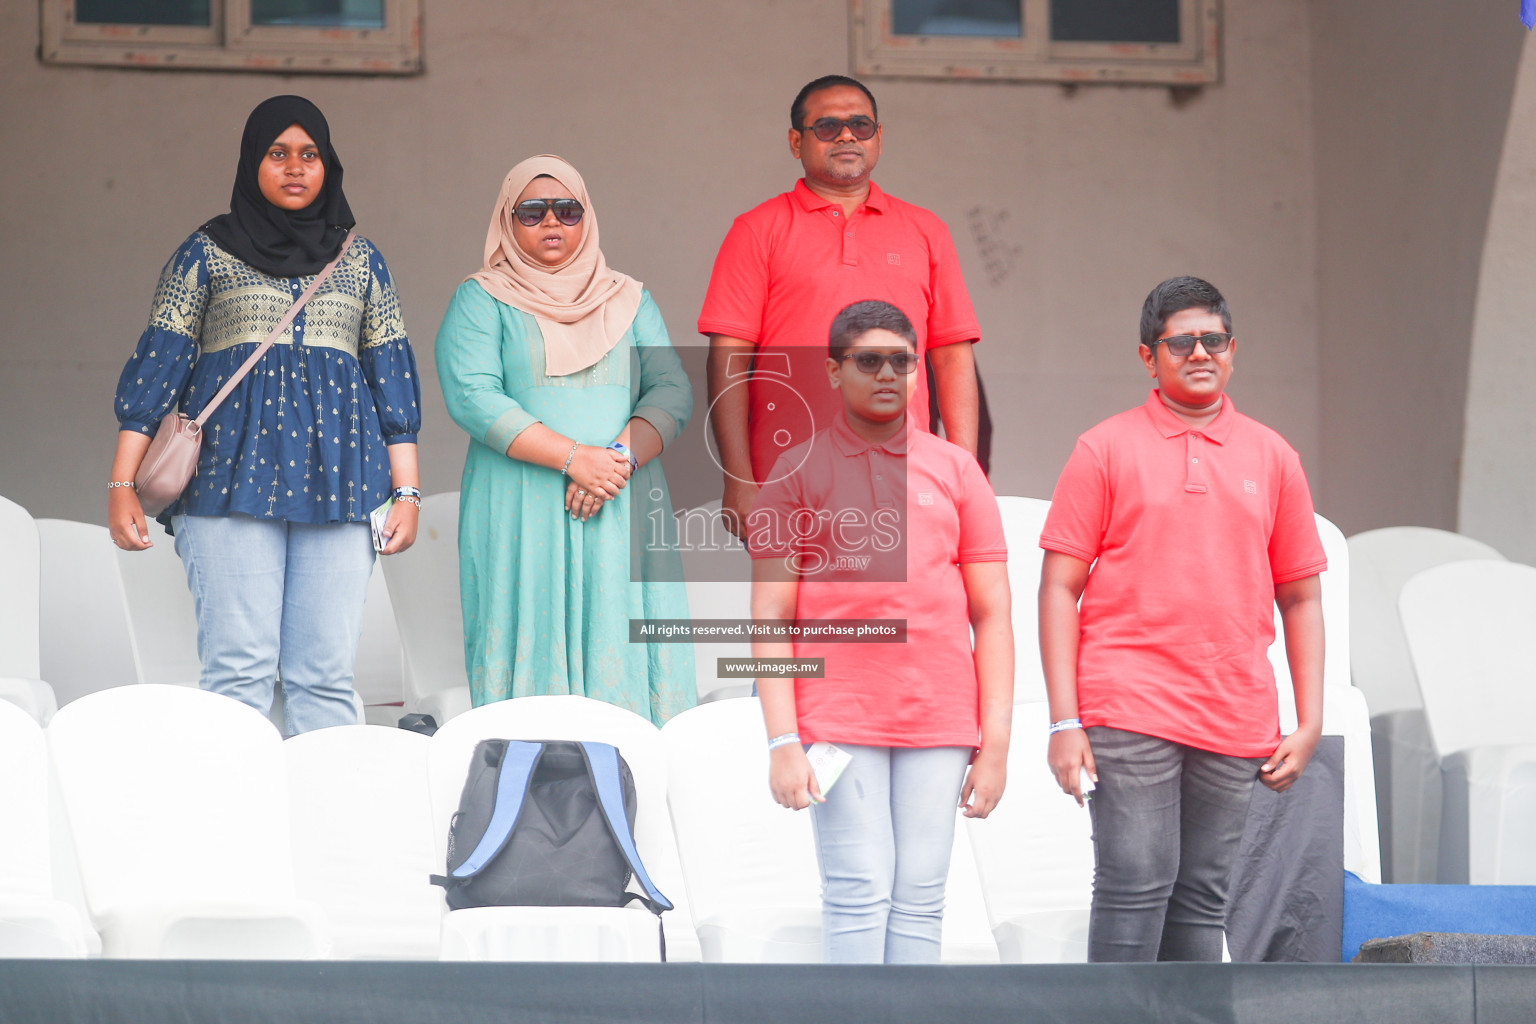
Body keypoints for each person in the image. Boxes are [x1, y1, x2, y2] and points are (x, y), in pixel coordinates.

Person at [108, 95, 422, 735]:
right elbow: (157, 369)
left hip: (342, 484)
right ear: (254, 161)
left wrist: (408, 489)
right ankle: (232, 830)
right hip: (228, 482)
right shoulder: (205, 253)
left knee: (325, 678)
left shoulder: (361, 259)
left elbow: (391, 380)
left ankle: (327, 830)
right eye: (278, 154)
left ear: (328, 165)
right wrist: (122, 484)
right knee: (238, 673)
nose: (295, 168)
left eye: (309, 155)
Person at [1037, 276, 1326, 963]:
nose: (1200, 353)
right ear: (1148, 357)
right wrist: (1063, 720)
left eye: (1213, 340)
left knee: (1202, 897)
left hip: (1233, 710)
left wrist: (1308, 719)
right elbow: (1057, 587)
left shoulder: (1274, 456)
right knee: (1134, 883)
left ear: (1233, 351)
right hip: (1127, 700)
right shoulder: (1102, 448)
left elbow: (1302, 596)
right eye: (1181, 343)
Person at [748, 300, 1012, 964]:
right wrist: (783, 740)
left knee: (922, 897)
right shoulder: (795, 471)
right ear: (834, 371)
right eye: (869, 360)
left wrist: (997, 743)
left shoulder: (956, 471)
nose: (888, 374)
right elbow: (771, 614)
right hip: (838, 717)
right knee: (858, 890)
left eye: (903, 361)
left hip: (942, 718)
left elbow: (993, 613)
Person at [436, 155, 695, 726]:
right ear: (508, 220)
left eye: (567, 209)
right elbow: (473, 396)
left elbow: (672, 390)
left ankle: (631, 793)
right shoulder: (481, 299)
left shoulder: (629, 298)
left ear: (586, 218)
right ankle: (533, 792)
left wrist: (615, 462)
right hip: (524, 500)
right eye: (532, 211)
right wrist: (576, 459)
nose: (552, 222)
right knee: (532, 651)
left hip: (622, 497)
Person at [699, 75, 983, 538]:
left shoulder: (927, 231)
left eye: (861, 125)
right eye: (827, 126)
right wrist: (737, 478)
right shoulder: (757, 230)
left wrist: (964, 470)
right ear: (796, 142)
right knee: (797, 612)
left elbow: (952, 355)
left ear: (879, 138)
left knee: (901, 611)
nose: (847, 135)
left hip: (907, 478)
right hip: (788, 478)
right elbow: (727, 359)